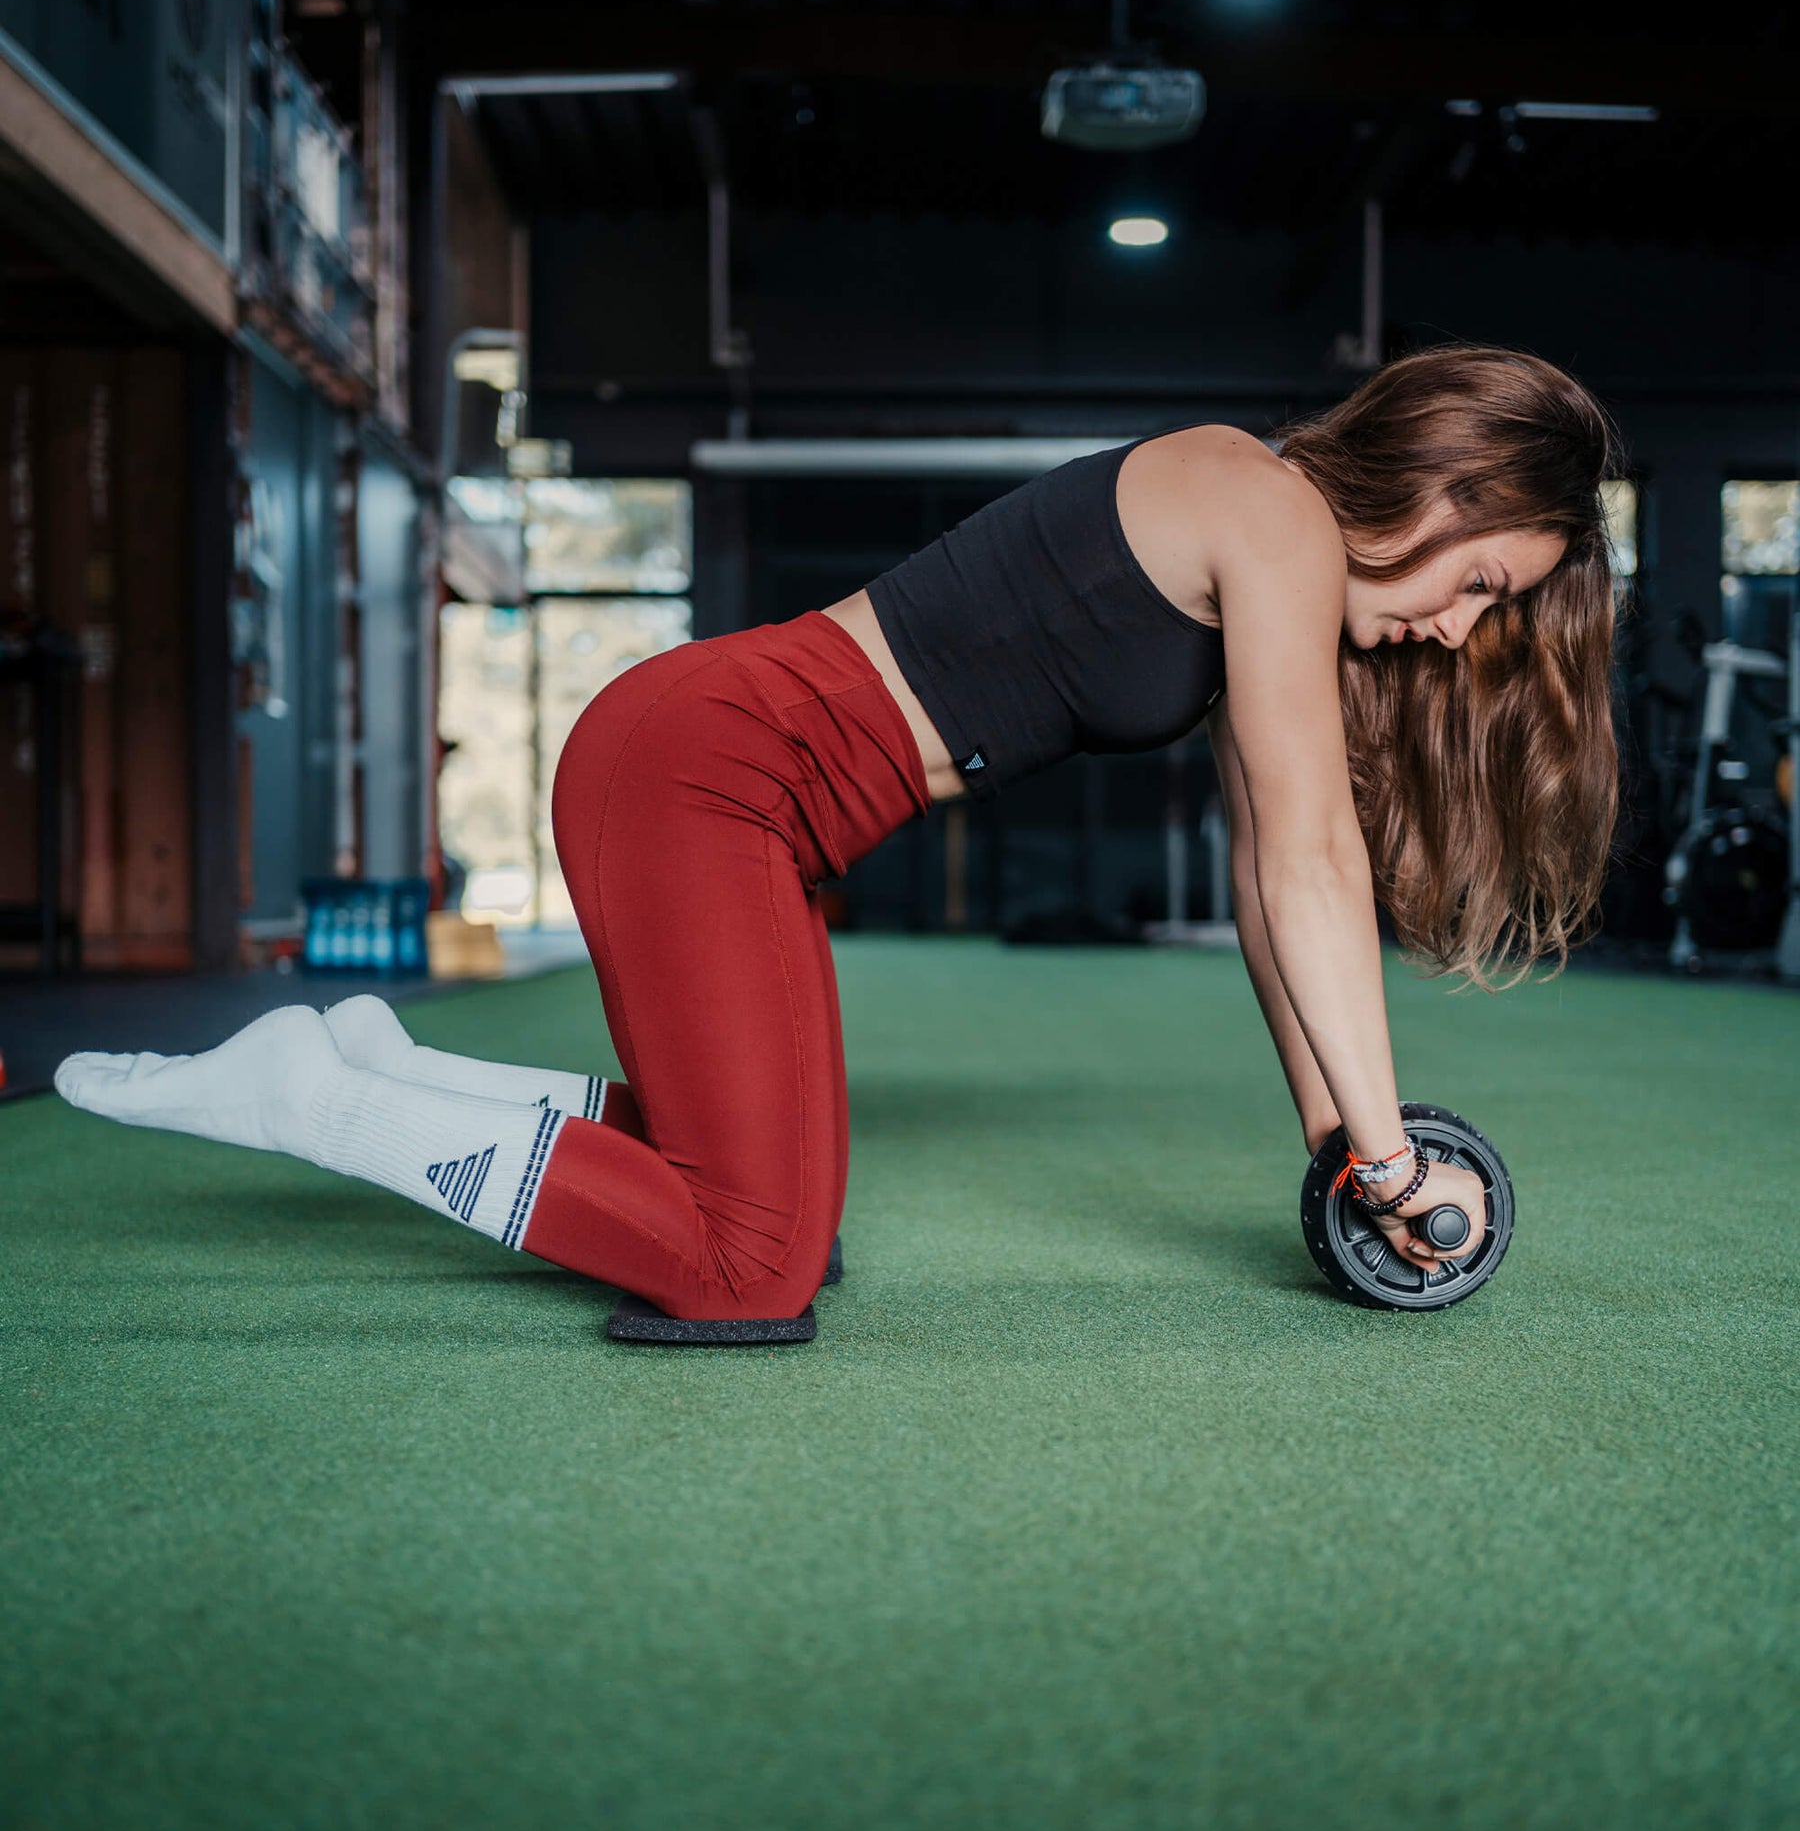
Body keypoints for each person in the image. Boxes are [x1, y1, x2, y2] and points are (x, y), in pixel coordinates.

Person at [56, 346, 1619, 1343]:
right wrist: (1396, 1158)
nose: (1451, 633)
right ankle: (321, 1106)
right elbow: (1316, 864)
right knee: (750, 1266)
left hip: (751, 805)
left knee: (784, 1199)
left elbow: (1274, 900)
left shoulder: (1263, 548)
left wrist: (1344, 1144)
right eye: (1479, 581)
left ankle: (395, 1067)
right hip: (703, 770)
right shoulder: (1263, 501)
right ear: (1441, 483)